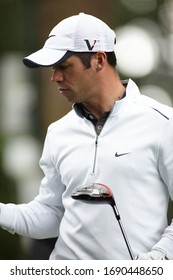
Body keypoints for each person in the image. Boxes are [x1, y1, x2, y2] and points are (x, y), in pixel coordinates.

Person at [0, 12, 173, 260]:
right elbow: (52, 214)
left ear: (99, 60)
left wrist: (160, 257)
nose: (55, 77)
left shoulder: (163, 122)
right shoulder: (58, 132)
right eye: (54, 68)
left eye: (64, 67)